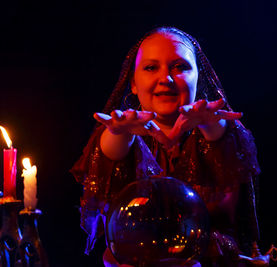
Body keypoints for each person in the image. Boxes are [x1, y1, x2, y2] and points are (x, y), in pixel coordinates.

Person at [70, 26, 263, 267]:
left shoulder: (220, 132)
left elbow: (220, 134)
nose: (166, 78)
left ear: (198, 78)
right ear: (133, 83)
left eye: (180, 67)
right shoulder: (120, 134)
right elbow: (110, 150)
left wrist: (209, 122)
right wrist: (120, 131)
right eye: (151, 68)